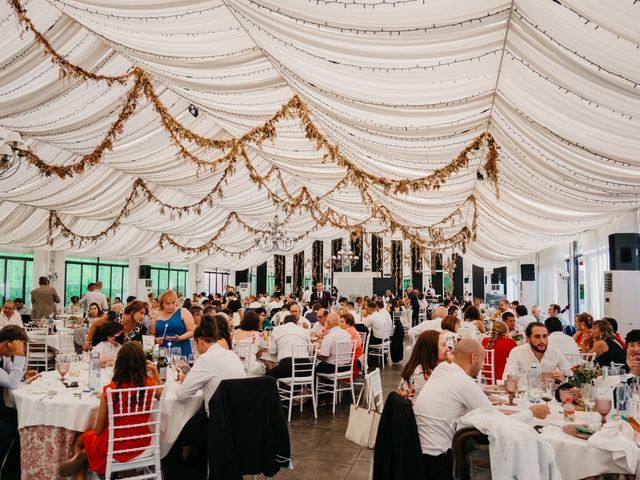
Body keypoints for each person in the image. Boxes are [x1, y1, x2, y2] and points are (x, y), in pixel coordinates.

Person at [414, 339, 549, 478]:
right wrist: (531, 412)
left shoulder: (443, 370)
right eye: (483, 360)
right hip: (441, 462)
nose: (483, 366)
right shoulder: (462, 381)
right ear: (474, 357)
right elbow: (499, 424)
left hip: (421, 453)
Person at [57, 342, 163, 479]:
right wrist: (154, 372)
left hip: (114, 445)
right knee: (90, 445)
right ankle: (85, 454)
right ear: (142, 363)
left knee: (79, 440)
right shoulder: (149, 385)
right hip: (140, 442)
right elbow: (162, 394)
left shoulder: (110, 390)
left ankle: (82, 466)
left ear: (119, 364)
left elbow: (99, 429)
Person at [166, 318, 246, 477]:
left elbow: (182, 395)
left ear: (200, 341)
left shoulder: (206, 359)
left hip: (218, 425)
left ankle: (181, 475)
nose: (196, 349)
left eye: (195, 345)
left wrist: (189, 381)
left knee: (172, 434)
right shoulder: (230, 354)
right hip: (241, 421)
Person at [0, 326, 32, 476]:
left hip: (3, 407)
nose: (14, 353)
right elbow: (12, 383)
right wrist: (19, 355)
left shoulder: (3, 356)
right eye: (15, 348)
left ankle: (12, 470)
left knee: (26, 423)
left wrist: (24, 375)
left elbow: (12, 373)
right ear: (7, 343)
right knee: (15, 427)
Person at [503, 323, 570, 379]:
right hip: (524, 393)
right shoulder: (517, 352)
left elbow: (570, 373)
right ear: (528, 339)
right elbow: (507, 377)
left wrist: (562, 375)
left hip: (548, 393)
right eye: (537, 337)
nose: (542, 341)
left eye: (545, 336)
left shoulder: (555, 353)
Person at [397, 331, 449, 402]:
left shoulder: (424, 367)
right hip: (413, 412)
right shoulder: (421, 374)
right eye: (443, 345)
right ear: (432, 349)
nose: (448, 349)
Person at [149, 290, 195, 356]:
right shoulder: (156, 317)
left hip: (181, 348)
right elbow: (151, 334)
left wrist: (180, 337)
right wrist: (155, 339)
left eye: (173, 303)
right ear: (162, 304)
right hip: (162, 351)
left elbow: (192, 331)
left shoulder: (183, 312)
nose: (171, 306)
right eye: (167, 303)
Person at [232, 311, 267, 375]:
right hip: (251, 367)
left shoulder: (235, 332)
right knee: (266, 366)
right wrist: (266, 335)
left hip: (235, 366)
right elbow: (266, 347)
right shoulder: (258, 334)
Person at [338, 312, 362, 378]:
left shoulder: (347, 331)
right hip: (356, 354)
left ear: (348, 323)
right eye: (339, 321)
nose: (339, 323)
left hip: (353, 357)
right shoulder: (351, 328)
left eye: (342, 322)